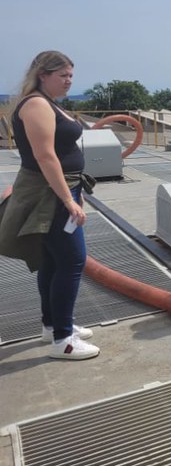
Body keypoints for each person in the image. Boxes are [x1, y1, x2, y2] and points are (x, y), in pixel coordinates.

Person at [0, 51, 98, 360]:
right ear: (43, 75)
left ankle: (53, 325)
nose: (69, 81)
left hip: (60, 189)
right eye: (63, 75)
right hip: (50, 195)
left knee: (53, 262)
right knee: (72, 262)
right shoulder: (37, 104)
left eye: (71, 75)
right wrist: (68, 200)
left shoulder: (49, 103)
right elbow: (45, 157)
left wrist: (74, 192)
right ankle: (63, 341)